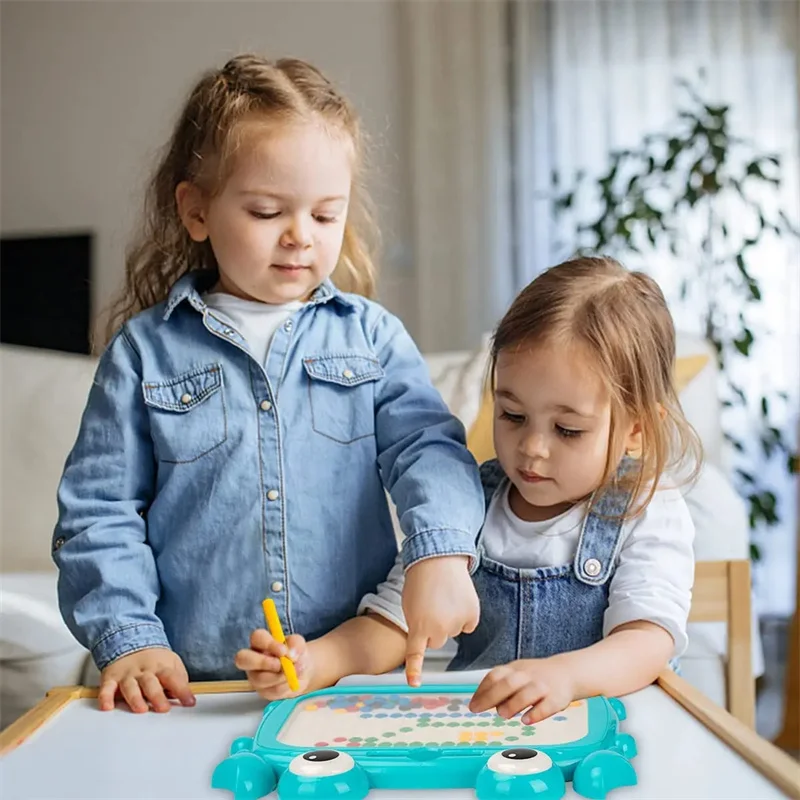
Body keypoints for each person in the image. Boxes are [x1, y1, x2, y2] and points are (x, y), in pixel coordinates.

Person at [53, 54, 484, 713]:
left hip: (348, 682)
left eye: (324, 215)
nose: (298, 238)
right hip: (191, 688)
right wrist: (129, 637)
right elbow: (98, 513)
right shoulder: (143, 352)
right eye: (265, 211)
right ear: (197, 211)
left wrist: (443, 550)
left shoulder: (370, 338)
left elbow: (431, 452)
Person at [339, 256, 700, 724]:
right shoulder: (466, 500)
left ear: (636, 429)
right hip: (484, 737)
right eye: (512, 416)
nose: (531, 448)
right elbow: (393, 623)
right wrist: (313, 662)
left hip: (609, 738)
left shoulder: (647, 509)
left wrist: (564, 677)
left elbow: (647, 642)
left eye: (567, 430)